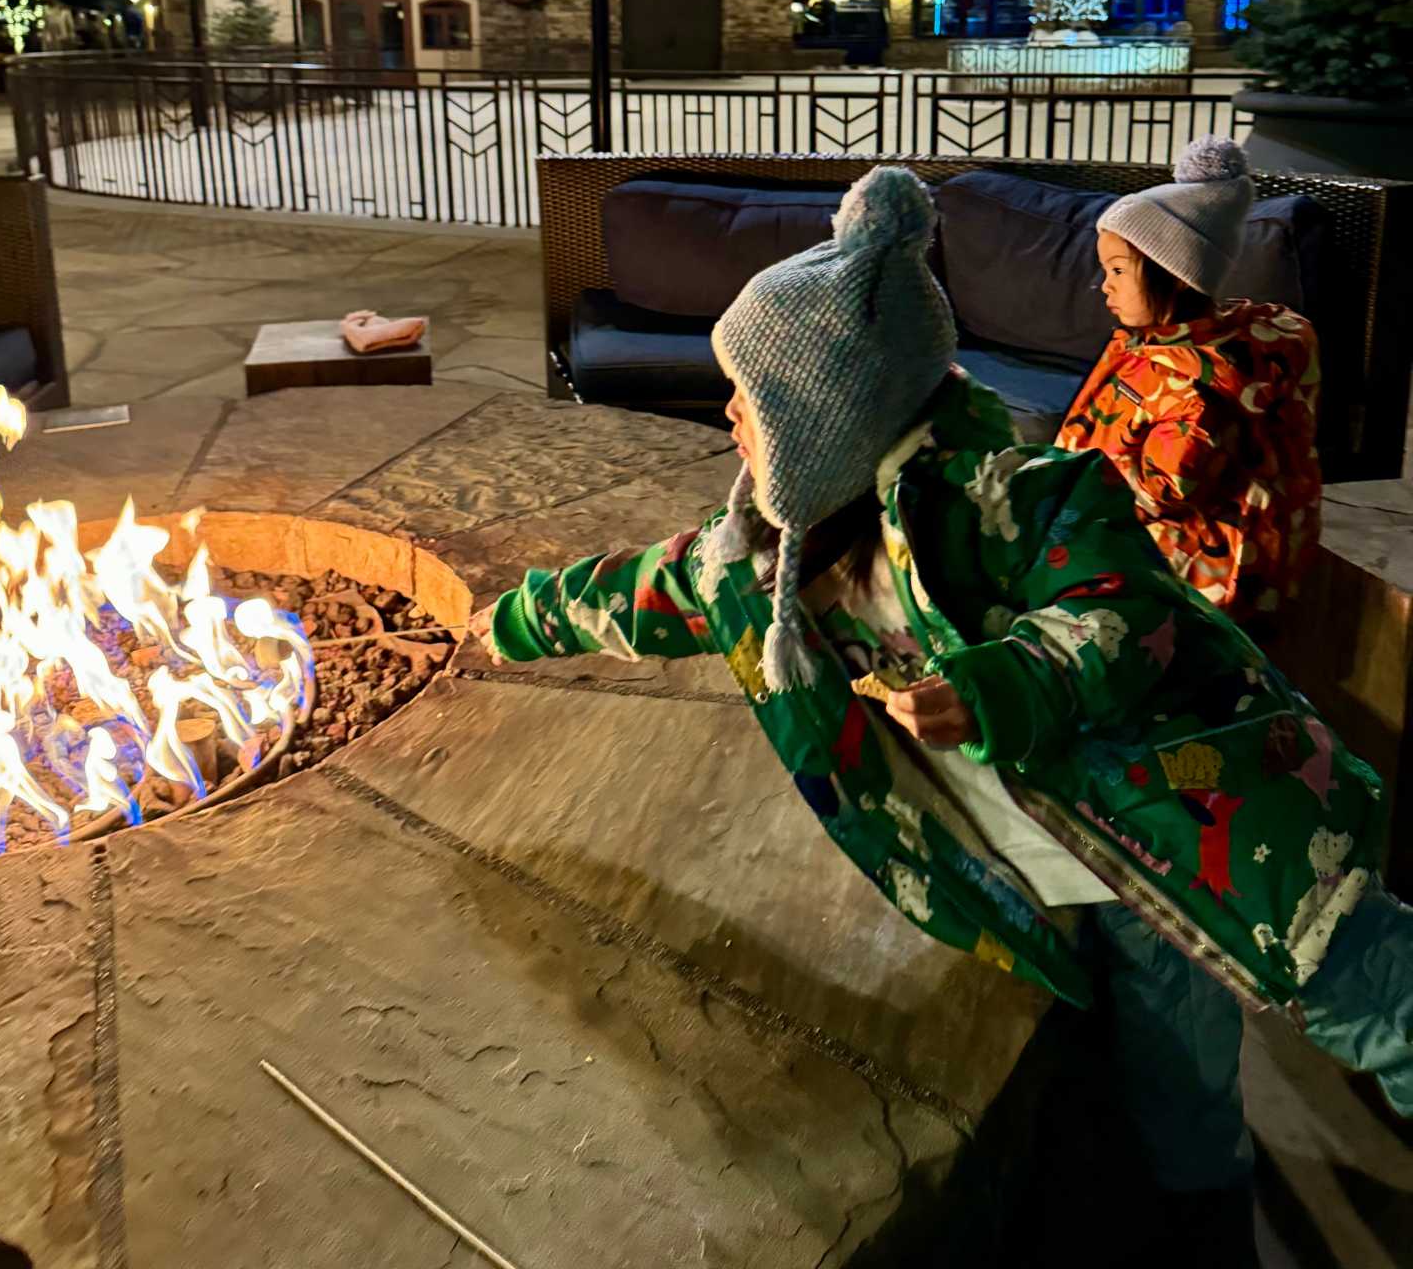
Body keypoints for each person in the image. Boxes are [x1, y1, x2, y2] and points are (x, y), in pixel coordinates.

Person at [468, 166, 1412, 1239]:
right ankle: (1189, 1214)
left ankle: (1204, 1212)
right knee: (1162, 1077)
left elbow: (1117, 615)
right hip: (1060, 878)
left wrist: (1005, 682)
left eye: (753, 397)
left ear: (827, 420)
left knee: (1362, 995)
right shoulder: (758, 566)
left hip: (1195, 811)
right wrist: (499, 620)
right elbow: (640, 593)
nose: (727, 412)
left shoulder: (1018, 498)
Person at [1057, 137, 1321, 625]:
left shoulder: (1195, 386)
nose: (1105, 285)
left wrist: (1067, 482)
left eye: (1117, 270)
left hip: (1194, 582)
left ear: (1175, 274)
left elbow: (1165, 493)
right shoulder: (1197, 341)